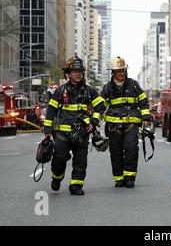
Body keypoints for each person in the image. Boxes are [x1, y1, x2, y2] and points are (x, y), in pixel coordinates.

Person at [43, 56, 107, 196]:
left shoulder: (89, 91)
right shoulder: (60, 91)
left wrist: (93, 122)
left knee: (80, 161)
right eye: (74, 71)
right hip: (62, 135)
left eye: (79, 71)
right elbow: (51, 111)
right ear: (68, 73)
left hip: (82, 133)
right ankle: (57, 177)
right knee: (59, 158)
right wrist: (47, 130)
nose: (77, 73)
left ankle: (76, 186)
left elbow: (101, 107)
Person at [101, 57, 151, 188]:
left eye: (123, 70)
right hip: (113, 126)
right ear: (113, 72)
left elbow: (143, 102)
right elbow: (100, 105)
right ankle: (119, 178)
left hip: (131, 124)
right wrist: (94, 120)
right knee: (115, 151)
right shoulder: (107, 88)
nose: (121, 73)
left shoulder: (134, 85)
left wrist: (146, 118)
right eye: (118, 71)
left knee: (131, 149)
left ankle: (129, 177)